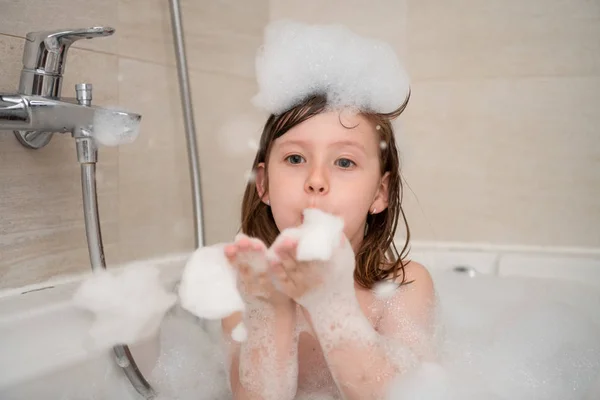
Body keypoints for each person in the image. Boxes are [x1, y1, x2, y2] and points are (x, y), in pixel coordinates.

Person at [220, 91, 437, 400]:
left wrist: (330, 305)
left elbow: (409, 393)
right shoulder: (245, 289)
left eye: (344, 162)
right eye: (295, 158)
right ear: (264, 184)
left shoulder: (403, 285)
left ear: (379, 193)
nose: (316, 179)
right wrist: (272, 310)